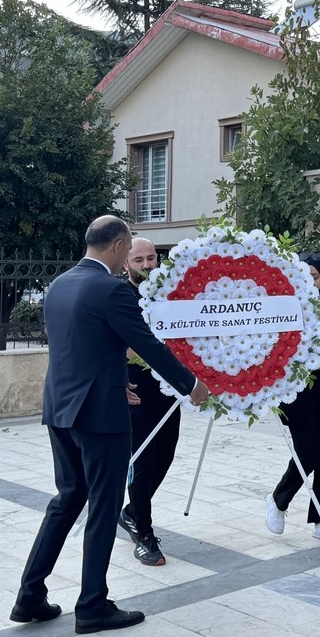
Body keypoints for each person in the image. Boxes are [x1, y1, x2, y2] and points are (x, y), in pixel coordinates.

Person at [11, 216, 210, 634]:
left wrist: (116, 381)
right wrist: (191, 384)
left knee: (66, 501)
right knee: (103, 508)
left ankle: (30, 596)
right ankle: (92, 606)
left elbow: (80, 346)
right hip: (99, 418)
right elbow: (147, 345)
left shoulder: (60, 284)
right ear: (119, 246)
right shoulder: (113, 290)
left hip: (61, 410)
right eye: (129, 253)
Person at [265, 252, 320, 546]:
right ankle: (278, 500)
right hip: (296, 394)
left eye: (314, 276)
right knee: (309, 452)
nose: (309, 281)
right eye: (304, 275)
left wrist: (313, 344)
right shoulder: (281, 309)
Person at [118, 237, 179, 567]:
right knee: (142, 461)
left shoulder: (170, 294)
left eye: (151, 258)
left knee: (165, 456)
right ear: (126, 263)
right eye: (138, 259)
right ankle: (144, 534)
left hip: (169, 389)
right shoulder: (119, 296)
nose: (146, 265)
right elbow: (110, 342)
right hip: (136, 389)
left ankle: (131, 512)